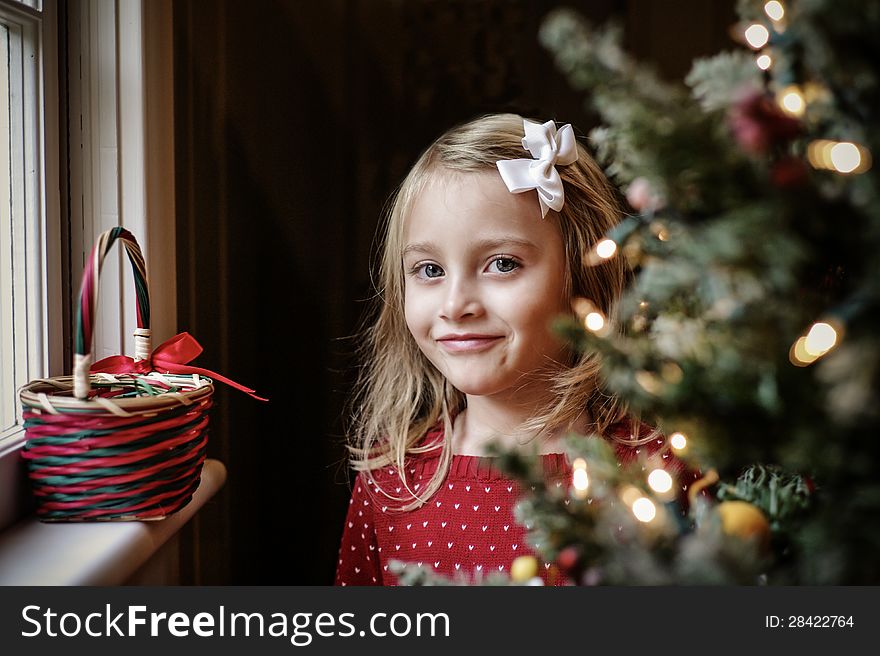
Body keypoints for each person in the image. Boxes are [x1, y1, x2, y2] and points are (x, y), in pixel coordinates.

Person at [334, 113, 693, 586]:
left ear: (581, 275)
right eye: (429, 270)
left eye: (502, 264)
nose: (455, 304)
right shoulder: (392, 482)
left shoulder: (657, 471)